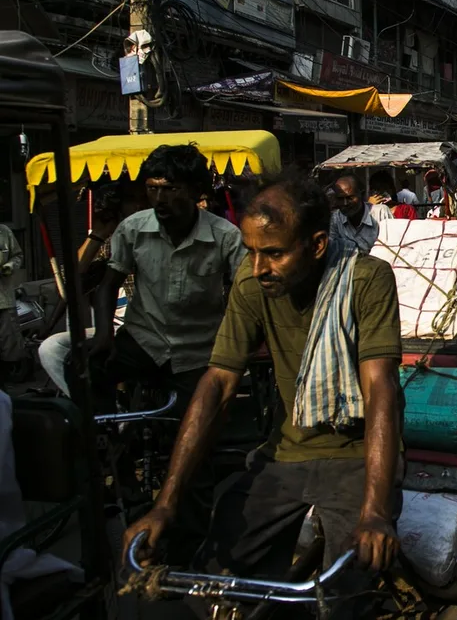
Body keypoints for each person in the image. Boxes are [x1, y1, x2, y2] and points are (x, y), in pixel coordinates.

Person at [122, 176, 403, 609]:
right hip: (287, 454)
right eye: (251, 251)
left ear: (317, 245)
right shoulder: (253, 284)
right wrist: (165, 503)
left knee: (346, 590)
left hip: (355, 456)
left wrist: (376, 512)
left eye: (274, 253)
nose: (258, 267)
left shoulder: (367, 279)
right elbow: (218, 382)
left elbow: (379, 387)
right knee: (214, 582)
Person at [90, 144, 245, 564]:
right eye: (152, 188)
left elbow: (244, 297)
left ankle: (185, 555)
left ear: (196, 190)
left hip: (197, 355)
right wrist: (104, 335)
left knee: (194, 454)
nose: (159, 198)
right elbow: (106, 286)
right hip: (142, 340)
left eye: (170, 189)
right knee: (80, 368)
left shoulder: (225, 236)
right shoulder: (134, 228)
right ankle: (111, 458)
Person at [38, 184, 145, 396]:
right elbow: (73, 278)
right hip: (113, 331)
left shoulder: (155, 238)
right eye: (130, 201)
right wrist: (98, 234)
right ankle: (91, 406)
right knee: (51, 349)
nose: (137, 207)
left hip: (146, 331)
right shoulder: (110, 242)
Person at [330, 175, 389, 253]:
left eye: (350, 198)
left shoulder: (380, 212)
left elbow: (392, 246)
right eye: (340, 199)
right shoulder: (336, 219)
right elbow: (333, 250)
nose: (345, 203)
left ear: (362, 194)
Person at [0, 223, 22, 368]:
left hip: (4, 299)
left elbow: (18, 255)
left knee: (10, 344)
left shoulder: (4, 231)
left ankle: (9, 378)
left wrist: (9, 266)